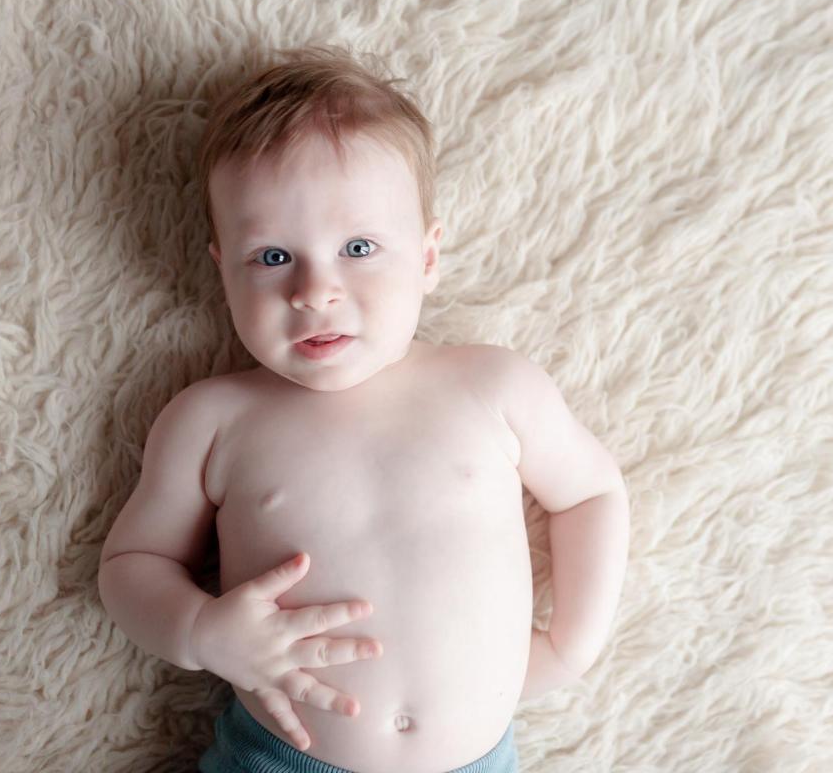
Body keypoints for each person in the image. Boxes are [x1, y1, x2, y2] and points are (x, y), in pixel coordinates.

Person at [98, 44, 630, 773]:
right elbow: (132, 565)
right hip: (277, 757)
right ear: (223, 270)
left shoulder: (493, 386)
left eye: (357, 247)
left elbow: (592, 493)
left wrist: (573, 643)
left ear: (427, 258)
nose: (314, 292)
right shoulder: (213, 419)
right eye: (273, 257)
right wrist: (200, 629)